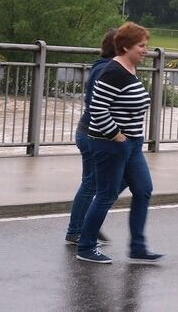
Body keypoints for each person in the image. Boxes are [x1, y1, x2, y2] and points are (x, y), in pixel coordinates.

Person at [76, 22, 162, 265]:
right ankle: (85, 246)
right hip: (110, 144)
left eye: (146, 45)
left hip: (132, 145)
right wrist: (116, 135)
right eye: (141, 46)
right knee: (106, 195)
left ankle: (138, 247)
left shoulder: (130, 69)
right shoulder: (113, 71)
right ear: (125, 47)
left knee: (143, 190)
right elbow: (97, 107)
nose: (146, 50)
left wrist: (130, 139)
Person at [64, 28, 117, 245]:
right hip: (92, 134)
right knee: (92, 184)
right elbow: (100, 107)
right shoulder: (107, 70)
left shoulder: (102, 67)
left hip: (89, 132)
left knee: (94, 184)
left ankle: (88, 225)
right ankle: (76, 230)